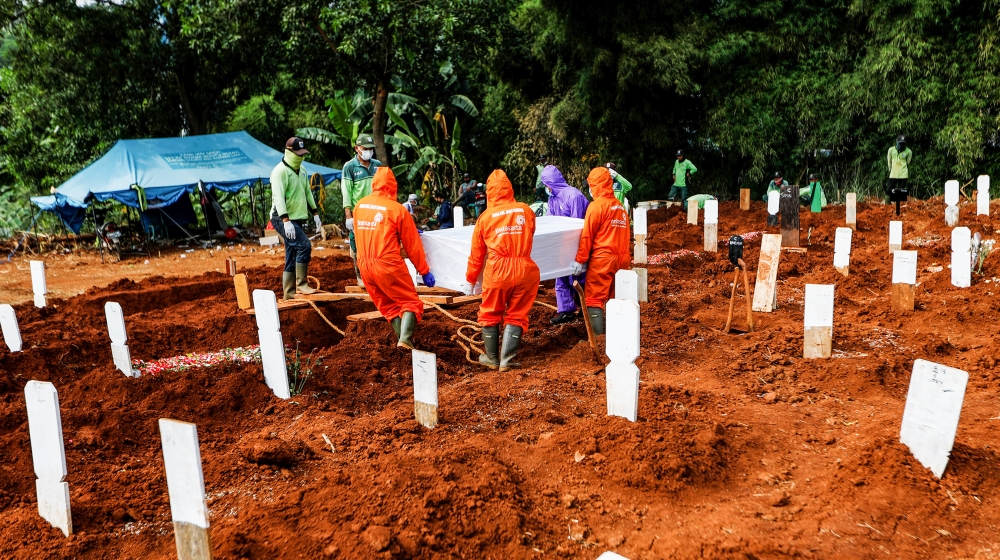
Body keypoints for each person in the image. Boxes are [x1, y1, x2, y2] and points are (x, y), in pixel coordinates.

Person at [353, 167, 436, 349]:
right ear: (393, 186)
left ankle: (405, 344)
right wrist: (424, 271)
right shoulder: (397, 210)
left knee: (389, 307)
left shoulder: (360, 205)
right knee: (410, 302)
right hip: (387, 263)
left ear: (374, 184)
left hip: (365, 265)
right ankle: (405, 341)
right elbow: (412, 246)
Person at [466, 169, 540, 371]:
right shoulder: (525, 210)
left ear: (489, 192)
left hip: (498, 270)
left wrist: (471, 278)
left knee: (490, 312)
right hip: (525, 268)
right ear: (509, 189)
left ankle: (492, 358)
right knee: (517, 313)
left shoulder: (485, 217)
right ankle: (508, 359)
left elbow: (477, 254)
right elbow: (531, 232)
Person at [572, 167, 631, 335]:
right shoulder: (619, 207)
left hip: (603, 258)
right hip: (622, 258)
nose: (588, 189)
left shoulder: (596, 206)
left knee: (594, 297)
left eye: (590, 185)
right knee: (616, 297)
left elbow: (587, 236)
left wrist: (580, 259)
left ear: (596, 186)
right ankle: (618, 336)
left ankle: (597, 338)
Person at [270, 137, 323, 301]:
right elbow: (278, 197)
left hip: (297, 218)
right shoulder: (280, 171)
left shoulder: (303, 170)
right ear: (288, 152)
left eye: (302, 154)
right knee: (304, 246)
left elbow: (307, 192)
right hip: (282, 218)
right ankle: (301, 283)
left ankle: (289, 294)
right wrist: (286, 221)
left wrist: (315, 213)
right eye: (298, 154)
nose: (300, 157)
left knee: (291, 254)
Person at [543, 165, 589, 324]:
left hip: (575, 244)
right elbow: (550, 220)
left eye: (547, 185)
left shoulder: (574, 196)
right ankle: (567, 310)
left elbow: (578, 226)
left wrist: (578, 253)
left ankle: (586, 309)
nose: (546, 188)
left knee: (580, 277)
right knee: (561, 276)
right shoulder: (552, 198)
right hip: (560, 245)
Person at [342, 134, 381, 285]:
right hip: (358, 213)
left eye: (371, 149)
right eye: (365, 149)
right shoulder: (350, 167)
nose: (369, 152)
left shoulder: (377, 164)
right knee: (357, 245)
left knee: (375, 244)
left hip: (376, 212)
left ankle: (375, 274)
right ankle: (361, 277)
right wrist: (348, 216)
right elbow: (347, 192)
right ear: (357, 148)